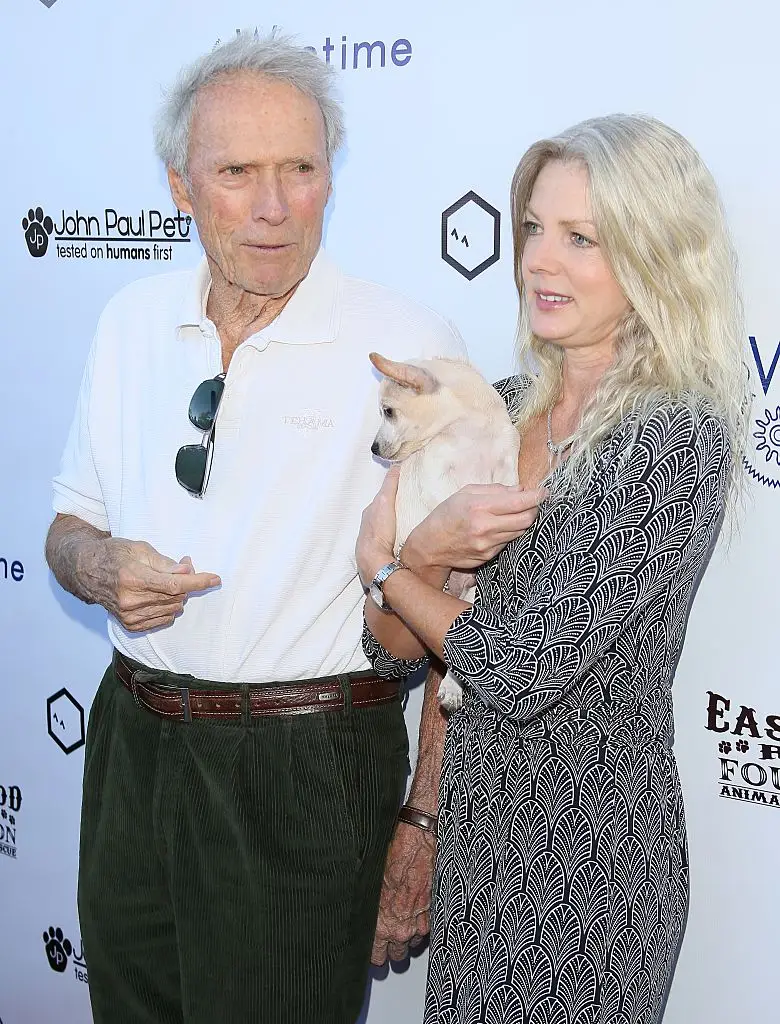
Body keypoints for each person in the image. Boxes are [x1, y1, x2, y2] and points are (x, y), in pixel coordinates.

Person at [44, 32, 466, 1024]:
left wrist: (424, 819)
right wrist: (99, 564)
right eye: (237, 174)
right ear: (180, 186)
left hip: (310, 765)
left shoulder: (408, 345)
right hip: (134, 746)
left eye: (300, 171)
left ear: (331, 174)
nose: (274, 209)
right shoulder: (128, 323)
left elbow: (464, 618)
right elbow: (67, 526)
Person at [356, 113, 749, 1023]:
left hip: (594, 870)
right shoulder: (492, 409)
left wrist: (387, 566)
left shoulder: (672, 435)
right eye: (533, 227)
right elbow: (391, 654)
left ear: (656, 254)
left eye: (582, 238)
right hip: (478, 851)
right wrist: (415, 563)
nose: (538, 259)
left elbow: (521, 666)